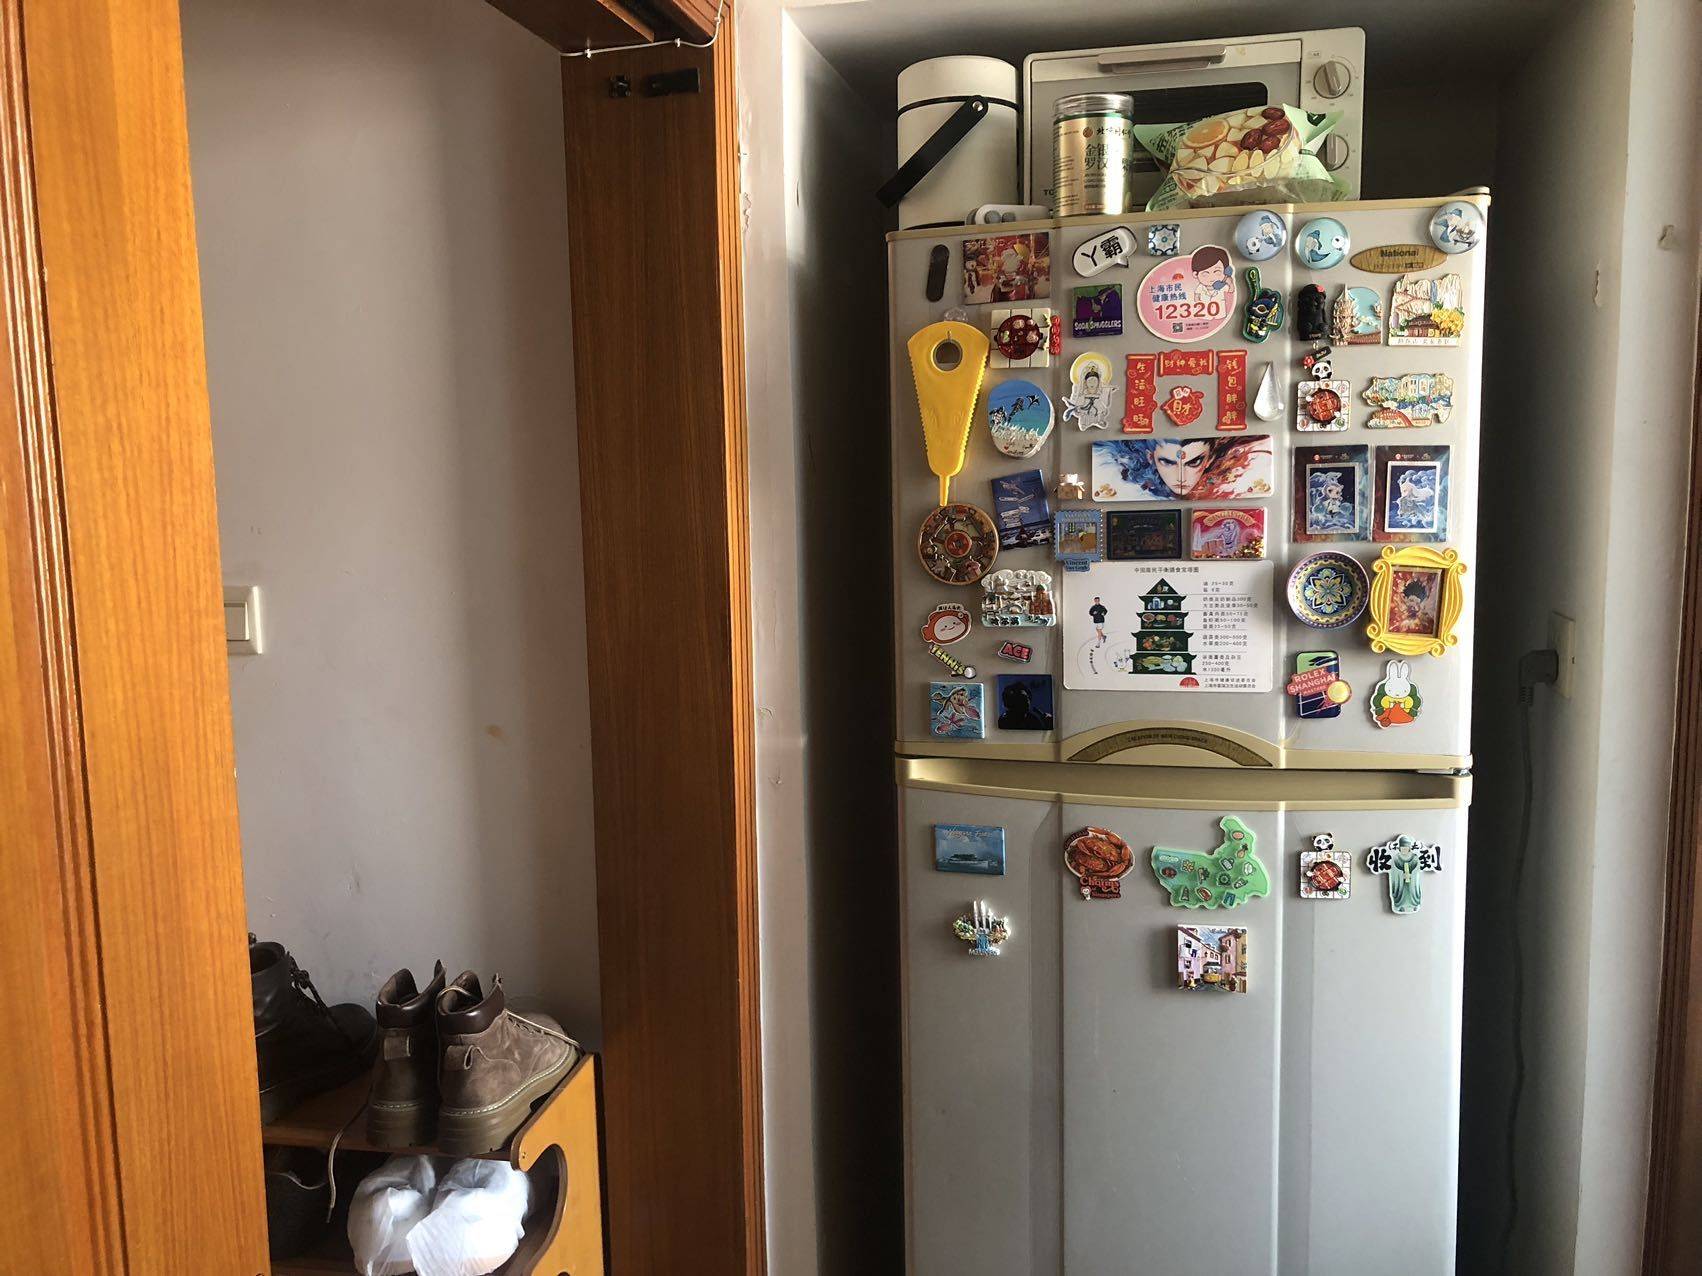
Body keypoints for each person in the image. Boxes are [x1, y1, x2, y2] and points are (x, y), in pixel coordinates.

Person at [1189, 245, 1232, 309]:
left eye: (1217, 272)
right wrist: (1197, 305)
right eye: (1205, 273)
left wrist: (1230, 284)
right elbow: (1196, 297)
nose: (1212, 277)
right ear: (1195, 274)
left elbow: (1231, 292)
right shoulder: (1200, 287)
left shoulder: (1223, 286)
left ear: (1225, 271)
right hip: (1203, 311)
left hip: (1221, 311)